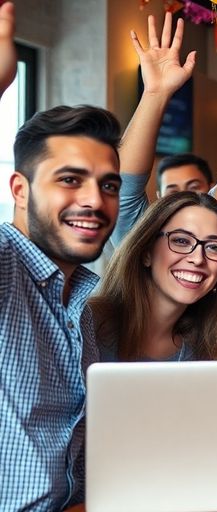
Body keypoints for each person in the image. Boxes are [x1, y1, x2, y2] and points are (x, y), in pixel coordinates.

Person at [1, 104, 121, 510]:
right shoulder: (5, 264)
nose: (94, 200)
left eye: (109, 186)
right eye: (70, 180)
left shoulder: (78, 303)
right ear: (20, 190)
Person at [90, 192, 217, 361]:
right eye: (182, 241)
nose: (198, 259)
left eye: (214, 247)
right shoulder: (86, 324)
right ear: (147, 251)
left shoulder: (207, 352)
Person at [111, 13, 200, 245]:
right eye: (172, 190)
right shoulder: (141, 240)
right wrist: (155, 92)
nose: (183, 198)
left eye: (193, 188)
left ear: (210, 192)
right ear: (159, 197)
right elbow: (123, 185)